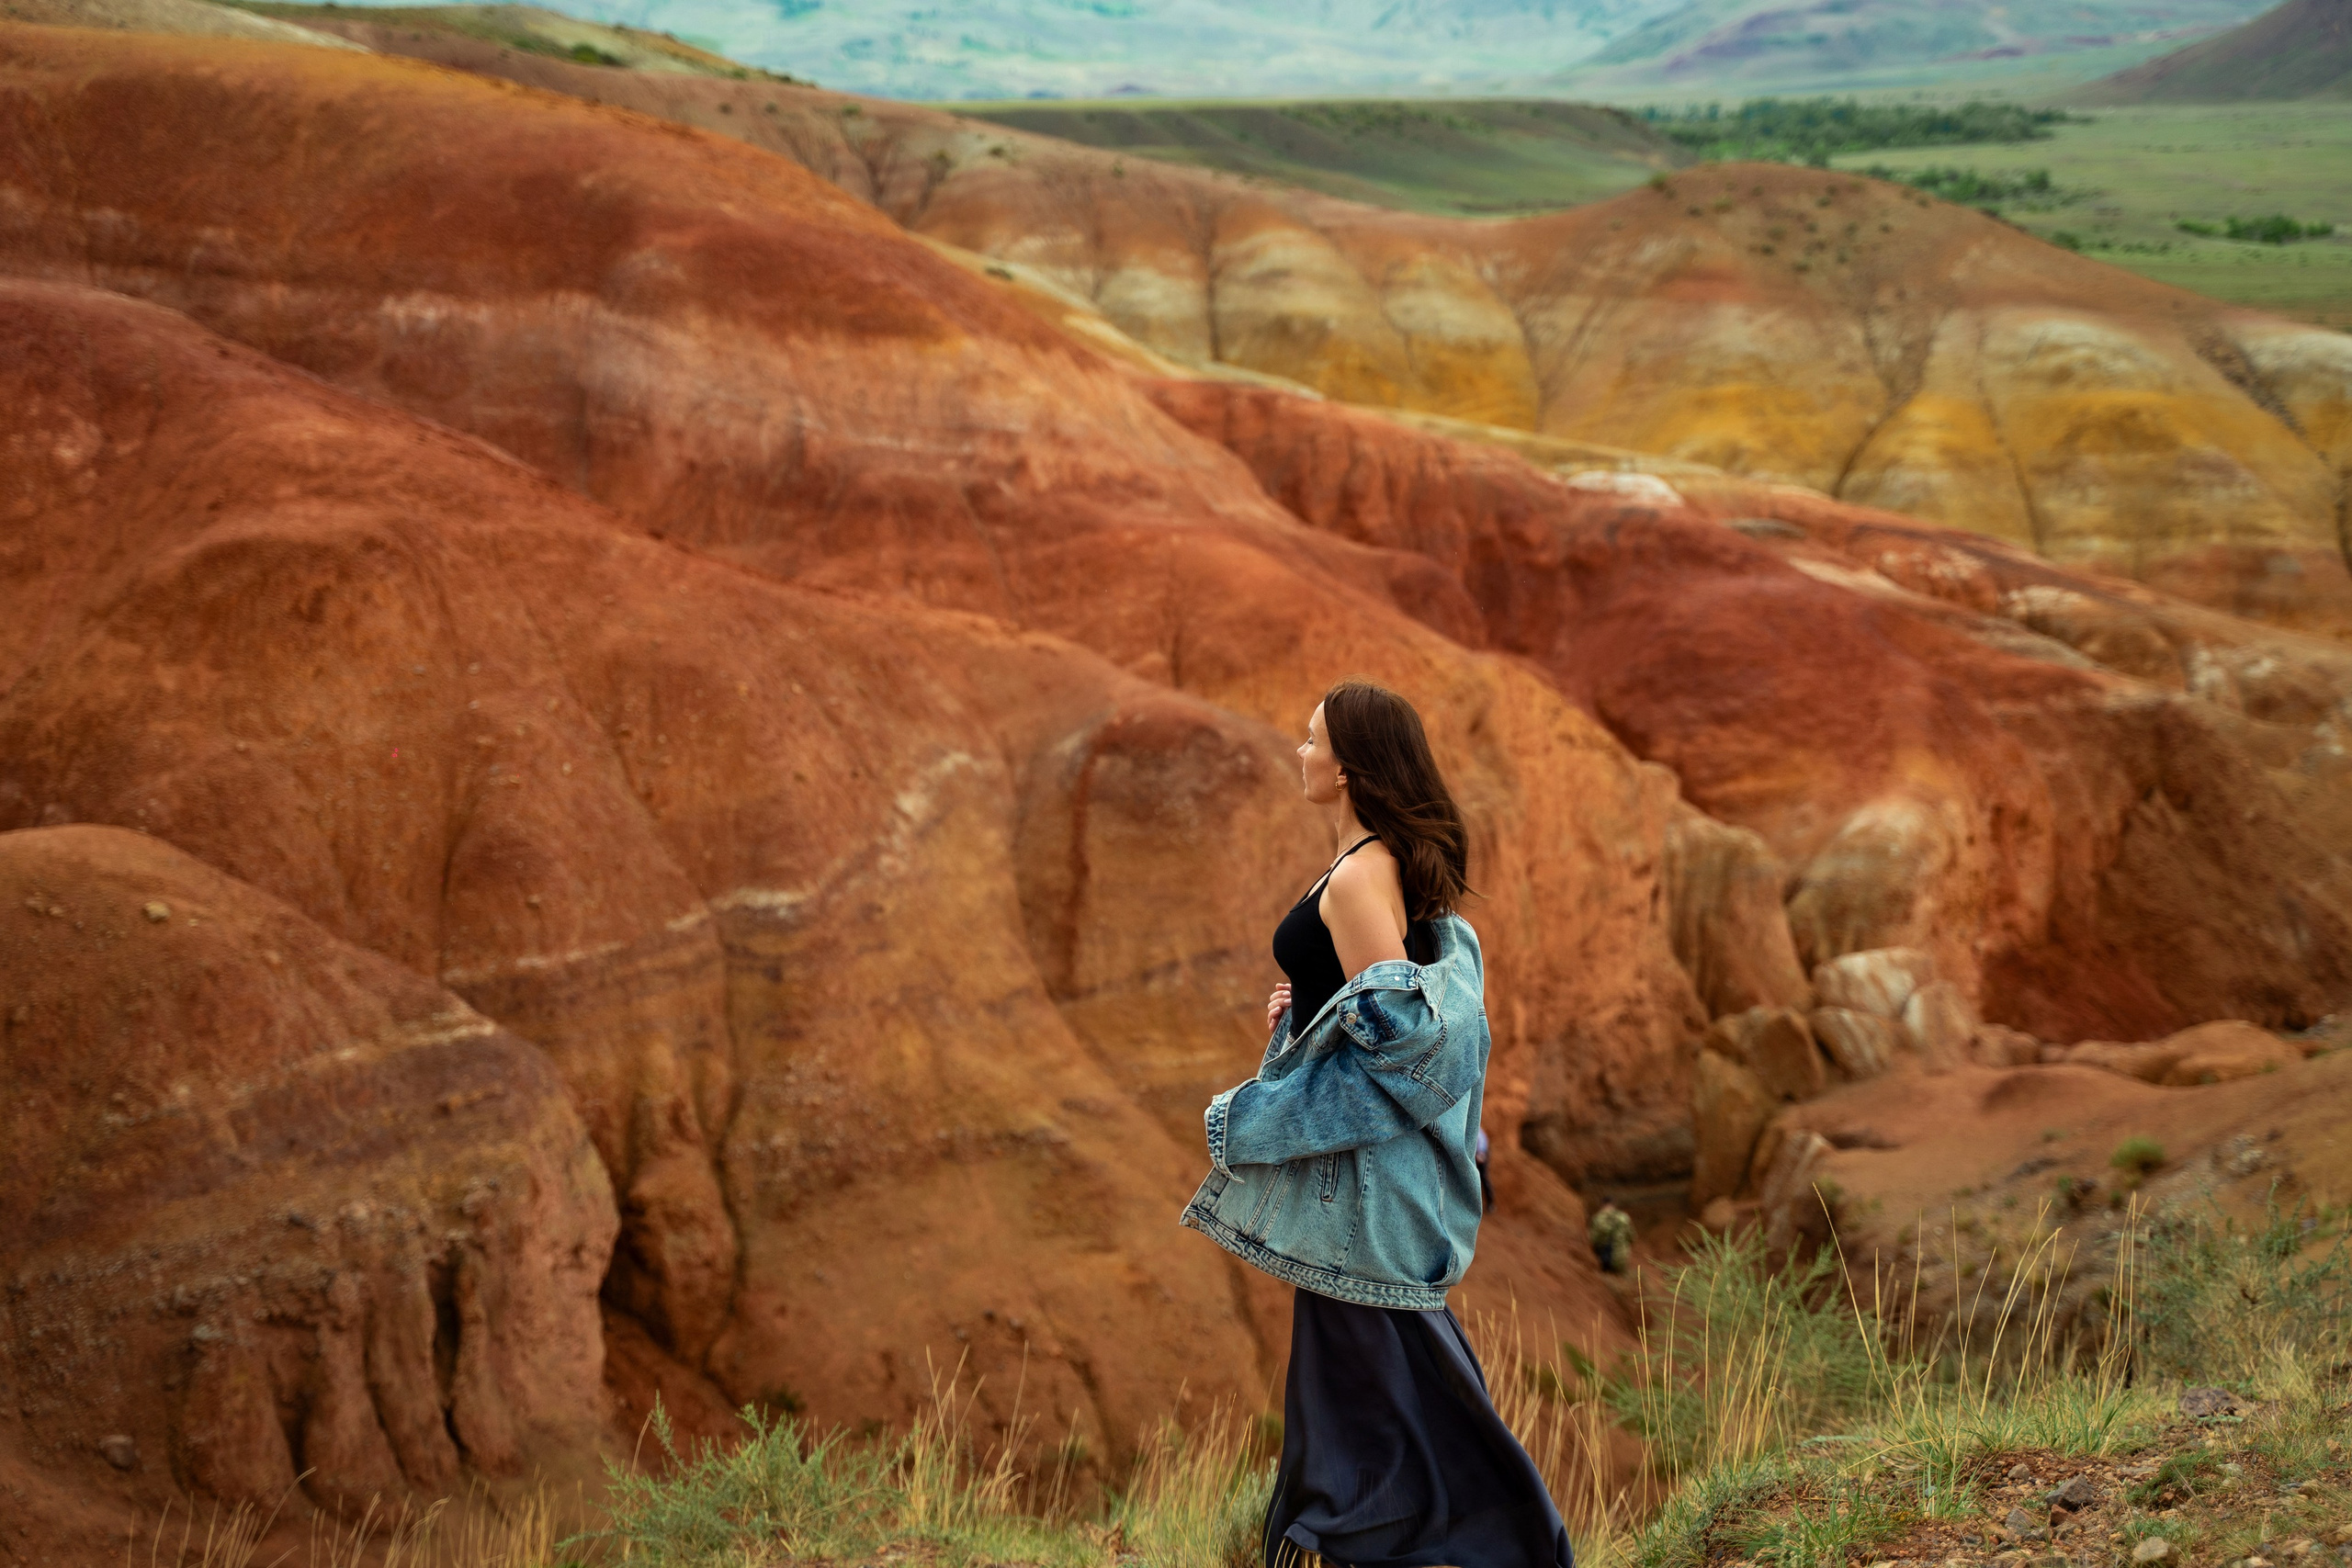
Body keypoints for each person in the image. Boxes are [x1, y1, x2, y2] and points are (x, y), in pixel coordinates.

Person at [1181, 679, 1572, 1568]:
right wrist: (1310, 1009)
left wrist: (1250, 1117)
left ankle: (1497, 1544)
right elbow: (1375, 1004)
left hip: (1362, 1190)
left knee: (1381, 1392)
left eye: (1312, 739)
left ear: (1350, 766)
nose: (1299, 751)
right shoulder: (1375, 859)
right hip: (1363, 1192)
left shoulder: (1360, 877)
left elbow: (1402, 1058)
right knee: (1385, 1384)